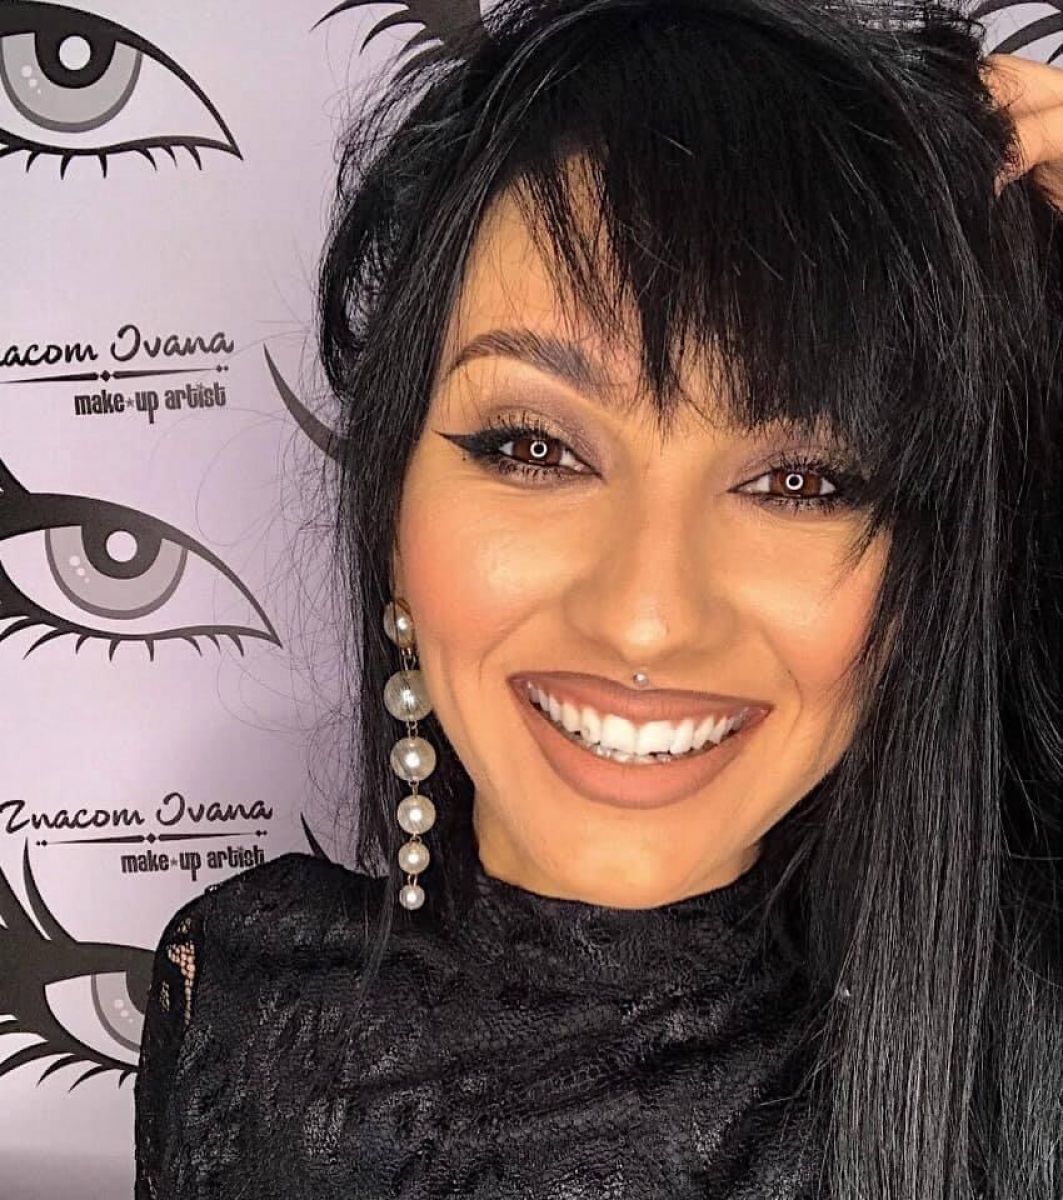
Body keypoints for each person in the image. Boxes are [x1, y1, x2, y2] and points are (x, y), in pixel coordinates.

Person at [133, 1, 1063, 1196]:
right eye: (533, 448)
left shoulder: (1021, 1045)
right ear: (393, 509)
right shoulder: (239, 1003)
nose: (644, 617)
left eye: (799, 481)